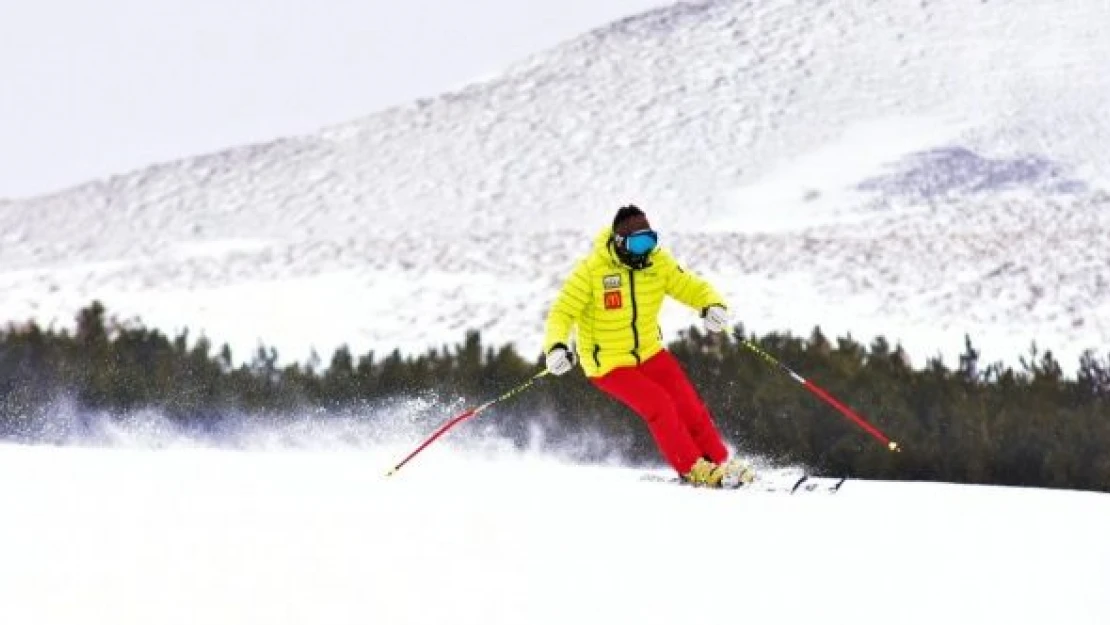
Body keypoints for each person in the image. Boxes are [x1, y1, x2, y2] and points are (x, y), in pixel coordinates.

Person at [542, 205, 754, 487]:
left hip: (649, 352)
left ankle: (719, 462)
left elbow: (690, 286)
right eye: (637, 244)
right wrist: (556, 347)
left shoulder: (657, 262)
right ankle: (693, 468)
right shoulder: (592, 271)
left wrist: (712, 305)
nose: (645, 250)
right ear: (620, 243)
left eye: (649, 241)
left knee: (689, 404)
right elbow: (562, 312)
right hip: (608, 363)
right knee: (660, 404)